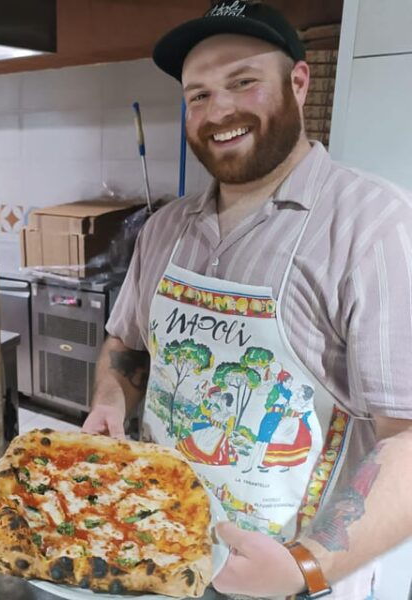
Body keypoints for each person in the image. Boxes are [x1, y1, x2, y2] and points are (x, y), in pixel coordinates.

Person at [82, 2, 412, 598]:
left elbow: (408, 439)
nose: (220, 111)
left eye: (243, 83)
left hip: (292, 574)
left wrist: (305, 567)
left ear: (299, 82)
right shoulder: (165, 229)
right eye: (199, 95)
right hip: (154, 539)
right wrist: (110, 397)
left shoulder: (373, 225)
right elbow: (126, 345)